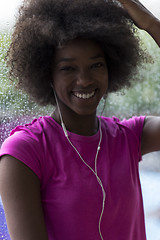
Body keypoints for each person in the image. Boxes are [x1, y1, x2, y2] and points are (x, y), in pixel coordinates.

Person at [0, 0, 160, 239]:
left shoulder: (130, 137)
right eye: (68, 68)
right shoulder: (25, 152)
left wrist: (151, 24)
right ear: (47, 74)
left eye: (96, 65)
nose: (84, 80)